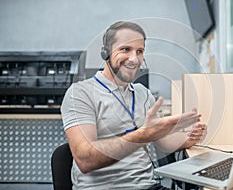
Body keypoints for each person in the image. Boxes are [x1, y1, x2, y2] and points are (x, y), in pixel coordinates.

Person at [61, 21, 207, 190]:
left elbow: (163, 142)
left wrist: (190, 138)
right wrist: (143, 135)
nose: (134, 58)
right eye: (125, 49)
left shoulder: (142, 94)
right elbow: (85, 160)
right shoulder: (80, 93)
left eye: (140, 51)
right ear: (105, 52)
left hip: (147, 186)